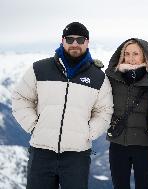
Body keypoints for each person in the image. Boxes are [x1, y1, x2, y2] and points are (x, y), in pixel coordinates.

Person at [12, 22, 113, 189]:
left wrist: (87, 132)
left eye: (80, 40)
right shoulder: (40, 68)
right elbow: (20, 97)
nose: (75, 43)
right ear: (62, 41)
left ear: (87, 42)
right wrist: (34, 126)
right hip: (41, 152)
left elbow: (104, 111)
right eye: (70, 39)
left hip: (77, 155)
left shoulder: (98, 77)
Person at [105, 38, 148, 189]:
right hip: (117, 144)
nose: (131, 58)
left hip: (143, 146)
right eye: (127, 54)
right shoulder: (112, 79)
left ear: (144, 56)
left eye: (135, 53)